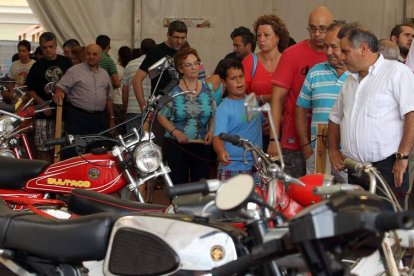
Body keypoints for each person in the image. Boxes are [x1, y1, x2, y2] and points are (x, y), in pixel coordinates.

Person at [328, 24, 414, 208]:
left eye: (345, 51)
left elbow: (411, 115)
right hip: (355, 169)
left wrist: (402, 157)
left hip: (387, 168)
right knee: (359, 225)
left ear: (364, 49)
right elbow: (334, 117)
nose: (341, 57)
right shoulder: (350, 80)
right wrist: (333, 150)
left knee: (387, 225)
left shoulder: (397, 72)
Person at [268, 6, 333, 178]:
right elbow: (277, 98)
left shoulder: (338, 55)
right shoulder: (292, 54)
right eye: (312, 28)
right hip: (293, 141)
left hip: (328, 140)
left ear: (332, 27)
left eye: (322, 29)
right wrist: (273, 139)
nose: (317, 34)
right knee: (291, 194)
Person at [295, 22, 349, 182]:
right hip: (317, 153)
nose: (329, 52)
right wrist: (306, 148)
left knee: (349, 202)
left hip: (349, 157)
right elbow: (300, 109)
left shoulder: (358, 75)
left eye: (334, 47)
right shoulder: (315, 72)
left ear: (346, 45)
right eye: (326, 47)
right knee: (318, 201)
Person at [157, 47, 215, 184]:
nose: (194, 67)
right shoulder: (173, 90)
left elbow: (212, 114)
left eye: (196, 63)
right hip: (177, 145)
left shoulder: (208, 89)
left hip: (201, 145)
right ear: (180, 69)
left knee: (201, 187)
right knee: (178, 186)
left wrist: (211, 131)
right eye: (189, 65)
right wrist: (175, 132)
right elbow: (160, 115)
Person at [54, 44, 114, 158]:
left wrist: (111, 118)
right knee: (74, 151)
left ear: (100, 57)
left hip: (99, 119)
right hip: (78, 118)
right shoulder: (74, 70)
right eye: (88, 53)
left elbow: (109, 98)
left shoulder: (105, 74)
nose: (91, 56)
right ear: (85, 54)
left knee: (97, 151)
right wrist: (58, 91)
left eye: (95, 54)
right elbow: (60, 87)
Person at [212, 58, 263, 187]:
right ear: (224, 82)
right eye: (233, 78)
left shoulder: (252, 101)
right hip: (233, 168)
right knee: (231, 206)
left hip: (257, 167)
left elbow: (260, 124)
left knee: (256, 206)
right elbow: (218, 137)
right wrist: (220, 151)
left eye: (241, 76)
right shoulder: (223, 109)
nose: (239, 81)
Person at [243, 14, 290, 151]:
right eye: (258, 36)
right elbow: (239, 96)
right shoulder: (250, 61)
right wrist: (268, 98)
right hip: (255, 126)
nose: (261, 39)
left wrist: (278, 121)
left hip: (284, 127)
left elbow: (294, 96)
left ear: (278, 37)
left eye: (266, 35)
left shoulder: (288, 61)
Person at [26, 32, 72, 162]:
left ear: (56, 45)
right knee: (43, 150)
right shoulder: (36, 66)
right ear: (41, 47)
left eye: (51, 46)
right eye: (45, 47)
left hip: (64, 113)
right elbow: (30, 90)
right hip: (43, 115)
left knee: (63, 151)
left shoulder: (66, 63)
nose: (48, 50)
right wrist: (42, 104)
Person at [133, 20, 188, 111]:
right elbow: (136, 80)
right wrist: (143, 106)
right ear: (168, 35)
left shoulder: (186, 51)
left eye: (183, 38)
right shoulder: (156, 51)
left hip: (182, 105)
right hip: (160, 106)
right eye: (176, 37)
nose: (179, 41)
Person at [122, 39, 156, 133]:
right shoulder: (157, 65)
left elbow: (125, 91)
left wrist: (125, 109)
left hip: (133, 110)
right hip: (152, 111)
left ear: (141, 50)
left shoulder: (130, 64)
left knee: (133, 142)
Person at [113, 46, 131, 131]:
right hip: (126, 103)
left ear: (119, 55)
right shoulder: (130, 69)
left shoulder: (115, 68)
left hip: (115, 101)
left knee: (114, 129)